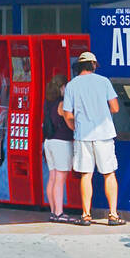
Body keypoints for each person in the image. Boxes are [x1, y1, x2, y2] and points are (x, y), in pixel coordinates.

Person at [61, 50, 124, 225]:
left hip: (82, 135)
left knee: (86, 175)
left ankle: (86, 215)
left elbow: (67, 114)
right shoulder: (104, 82)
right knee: (109, 173)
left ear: (79, 66)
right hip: (104, 134)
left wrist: (75, 127)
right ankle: (113, 214)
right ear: (94, 65)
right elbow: (115, 107)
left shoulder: (72, 85)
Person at [42, 74, 74, 223]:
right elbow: (69, 122)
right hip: (61, 142)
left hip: (48, 142)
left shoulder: (48, 102)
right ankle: (60, 212)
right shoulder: (61, 104)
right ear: (62, 87)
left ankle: (53, 211)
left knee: (53, 177)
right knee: (60, 178)